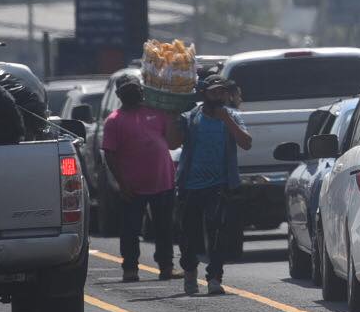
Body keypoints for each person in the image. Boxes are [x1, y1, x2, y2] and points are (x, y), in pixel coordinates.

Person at [167, 76, 252, 296]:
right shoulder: (191, 117)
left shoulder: (232, 116)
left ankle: (214, 278)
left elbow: (246, 143)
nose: (219, 96)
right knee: (188, 235)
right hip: (191, 186)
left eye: (223, 92)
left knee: (217, 234)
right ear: (204, 94)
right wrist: (172, 119)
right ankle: (189, 272)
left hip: (220, 185)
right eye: (214, 92)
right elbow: (172, 143)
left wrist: (227, 120)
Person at [101, 78, 177, 281]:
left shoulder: (156, 113)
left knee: (164, 228)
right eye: (127, 90)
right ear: (119, 95)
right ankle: (130, 269)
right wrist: (122, 184)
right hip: (132, 186)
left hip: (163, 181)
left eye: (135, 89)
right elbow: (109, 154)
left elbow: (170, 142)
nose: (133, 93)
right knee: (130, 230)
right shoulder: (114, 120)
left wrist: (172, 117)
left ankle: (166, 266)